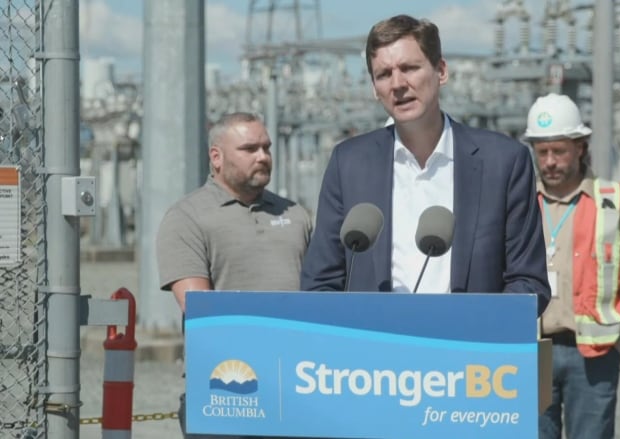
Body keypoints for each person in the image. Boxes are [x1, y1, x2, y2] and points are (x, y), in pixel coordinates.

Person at [300, 15, 550, 308]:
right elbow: (320, 283)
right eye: (384, 74)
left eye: (409, 68)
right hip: (373, 346)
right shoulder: (349, 163)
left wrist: (474, 331)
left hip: (467, 348)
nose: (398, 84)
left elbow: (529, 283)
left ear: (441, 71)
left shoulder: (504, 162)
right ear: (373, 87)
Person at [156, 112, 311, 438]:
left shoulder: (296, 216)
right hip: (228, 391)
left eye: (266, 148)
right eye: (250, 148)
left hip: (298, 387)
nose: (263, 157)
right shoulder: (187, 218)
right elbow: (202, 311)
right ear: (217, 157)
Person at [528, 93, 620, 439]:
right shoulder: (520, 200)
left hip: (594, 355)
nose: (550, 161)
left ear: (580, 148)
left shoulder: (611, 201)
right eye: (542, 152)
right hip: (532, 349)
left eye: (559, 151)